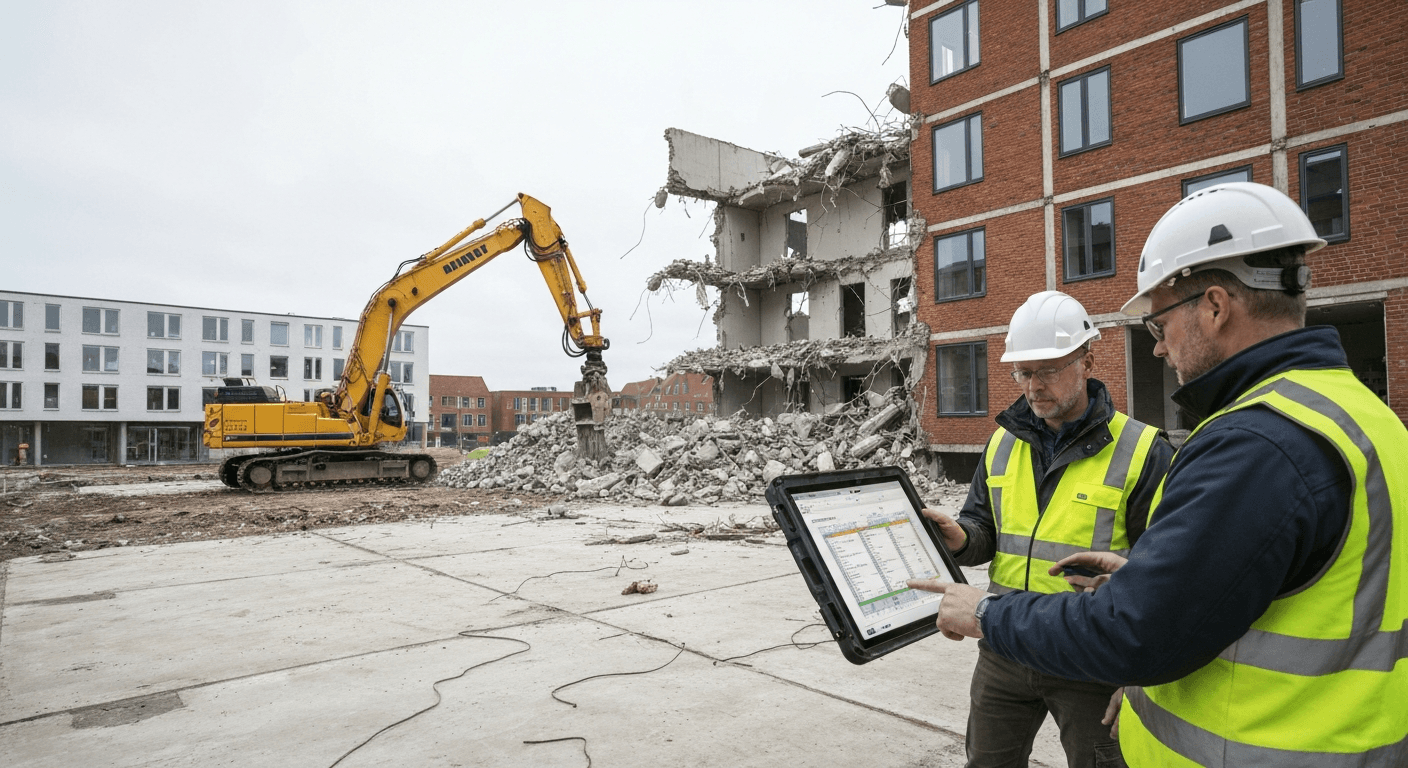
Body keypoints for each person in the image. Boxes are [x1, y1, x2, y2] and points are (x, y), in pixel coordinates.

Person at [909, 182, 1408, 765]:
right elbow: (1263, 576)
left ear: (1216, 306)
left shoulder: (1251, 442)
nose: (1158, 348)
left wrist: (987, 612)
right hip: (1336, 736)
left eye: (1159, 324)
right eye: (1023, 373)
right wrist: (1140, 580)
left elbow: (1139, 631)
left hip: (1245, 737)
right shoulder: (1362, 417)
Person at [922, 290, 1173, 768]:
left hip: (1090, 659)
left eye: (1048, 370)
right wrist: (960, 536)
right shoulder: (1001, 444)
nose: (1033, 386)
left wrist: (1139, 674)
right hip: (1002, 647)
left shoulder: (1143, 451)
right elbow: (984, 530)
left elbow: (1165, 577)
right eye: (1023, 372)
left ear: (1087, 361)